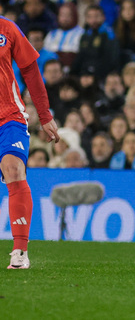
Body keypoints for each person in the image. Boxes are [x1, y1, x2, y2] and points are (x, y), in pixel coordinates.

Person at [0, 16, 60, 269]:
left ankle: (20, 251)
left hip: (8, 116)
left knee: (14, 169)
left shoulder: (6, 28)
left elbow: (31, 70)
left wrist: (45, 115)